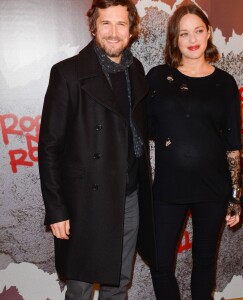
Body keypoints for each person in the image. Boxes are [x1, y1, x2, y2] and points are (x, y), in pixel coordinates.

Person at [38, 0, 155, 299]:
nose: (114, 32)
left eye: (121, 24)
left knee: (119, 284)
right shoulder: (67, 74)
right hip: (83, 204)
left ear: (131, 30)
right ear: (93, 27)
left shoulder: (136, 70)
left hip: (129, 196)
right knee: (79, 286)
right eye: (106, 23)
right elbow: (49, 148)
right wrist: (56, 209)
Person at [147, 4, 243, 300]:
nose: (192, 39)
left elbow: (232, 145)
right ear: (174, 39)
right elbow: (144, 129)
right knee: (160, 264)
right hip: (167, 188)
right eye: (184, 33)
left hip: (213, 189)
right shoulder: (157, 78)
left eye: (198, 30)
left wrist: (237, 197)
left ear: (209, 33)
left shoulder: (225, 83)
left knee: (204, 262)